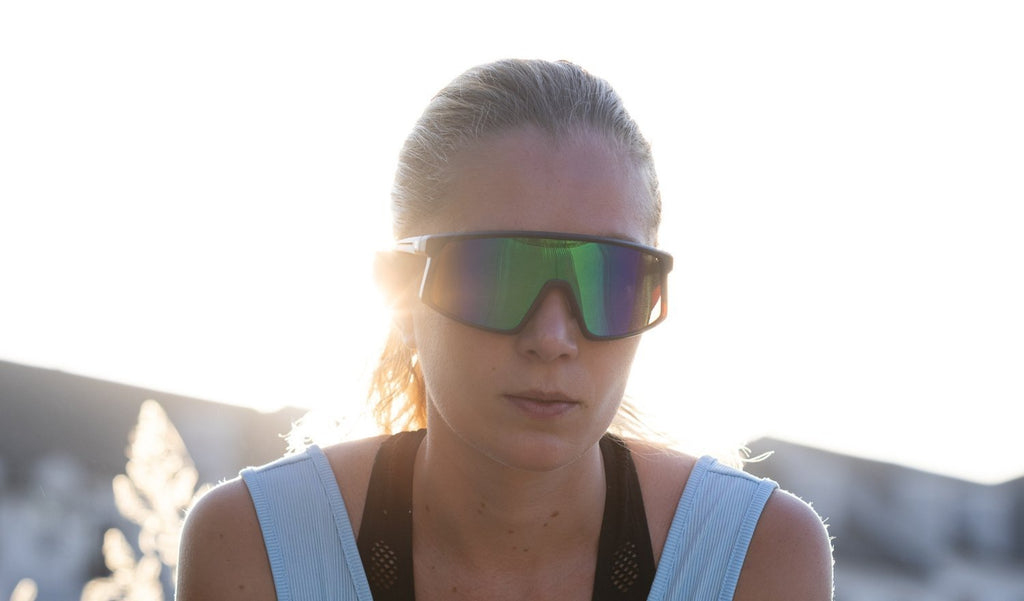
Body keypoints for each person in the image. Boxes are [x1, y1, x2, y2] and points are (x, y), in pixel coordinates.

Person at [176, 59, 833, 601]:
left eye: (608, 278)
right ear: (401, 291)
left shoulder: (758, 556)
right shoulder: (259, 547)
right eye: (496, 272)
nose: (552, 336)